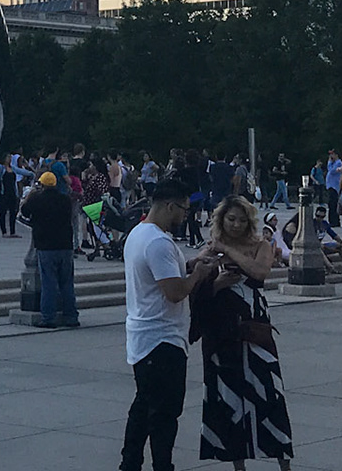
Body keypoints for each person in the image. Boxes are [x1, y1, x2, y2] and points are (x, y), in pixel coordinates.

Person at [120, 179, 233, 471]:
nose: (187, 215)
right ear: (169, 205)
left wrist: (193, 262)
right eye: (184, 208)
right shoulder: (159, 242)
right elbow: (174, 292)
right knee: (165, 412)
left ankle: (130, 462)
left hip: (143, 335)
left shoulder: (139, 234)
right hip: (162, 339)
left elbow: (163, 276)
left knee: (144, 405)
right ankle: (162, 465)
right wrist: (200, 274)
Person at [196, 195, 295, 468]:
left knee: (268, 392)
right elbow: (195, 279)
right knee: (227, 397)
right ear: (221, 220)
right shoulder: (212, 248)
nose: (236, 225)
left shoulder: (260, 245)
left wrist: (228, 253)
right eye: (230, 219)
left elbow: (260, 272)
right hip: (222, 331)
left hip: (255, 327)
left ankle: (282, 460)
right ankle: (237, 464)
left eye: (241, 220)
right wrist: (216, 282)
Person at [21, 170, 78, 328]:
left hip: (46, 246)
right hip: (66, 245)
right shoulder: (65, 200)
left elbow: (24, 212)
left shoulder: (37, 200)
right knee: (67, 282)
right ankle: (71, 316)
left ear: (42, 184)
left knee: (49, 283)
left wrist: (30, 195)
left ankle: (48, 318)